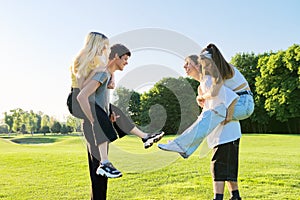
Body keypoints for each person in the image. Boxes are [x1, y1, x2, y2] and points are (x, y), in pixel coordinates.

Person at [68, 32, 164, 198]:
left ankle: (143, 137)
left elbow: (106, 86)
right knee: (98, 173)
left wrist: (110, 76)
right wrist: (96, 120)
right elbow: (82, 91)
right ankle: (106, 162)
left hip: (90, 103)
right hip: (77, 101)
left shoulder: (101, 67)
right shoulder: (85, 61)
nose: (106, 49)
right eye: (104, 46)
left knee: (115, 113)